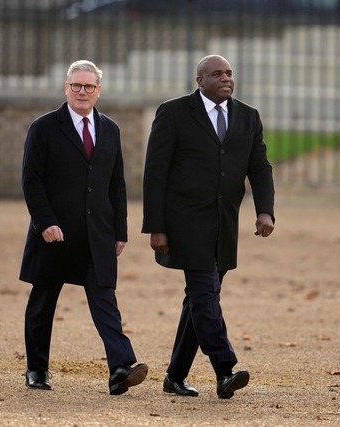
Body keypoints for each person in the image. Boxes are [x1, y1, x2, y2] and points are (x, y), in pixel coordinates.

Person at [142, 54, 275, 399]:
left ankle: (175, 376)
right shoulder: (172, 113)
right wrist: (156, 227)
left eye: (229, 73)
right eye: (217, 74)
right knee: (204, 295)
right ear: (200, 80)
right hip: (184, 222)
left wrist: (265, 212)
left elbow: (259, 168)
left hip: (224, 226)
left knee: (199, 301)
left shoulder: (248, 117)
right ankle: (225, 369)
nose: (226, 78)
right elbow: (155, 173)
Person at [19, 59, 147, 395]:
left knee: (105, 300)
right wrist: (44, 222)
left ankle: (120, 368)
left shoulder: (111, 129)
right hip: (55, 233)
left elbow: (116, 185)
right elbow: (31, 180)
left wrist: (120, 231)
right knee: (43, 302)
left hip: (98, 234)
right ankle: (36, 370)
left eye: (89, 86)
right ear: (66, 88)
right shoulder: (44, 127)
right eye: (76, 85)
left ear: (98, 91)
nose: (82, 91)